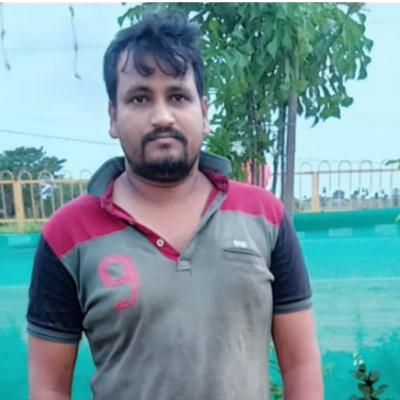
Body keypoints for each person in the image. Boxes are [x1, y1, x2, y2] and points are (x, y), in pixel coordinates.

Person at [27, 10, 323, 400]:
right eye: (139, 98)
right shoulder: (67, 235)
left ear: (204, 113)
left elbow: (300, 364)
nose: (162, 116)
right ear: (113, 117)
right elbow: (48, 387)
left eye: (178, 96)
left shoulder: (264, 216)